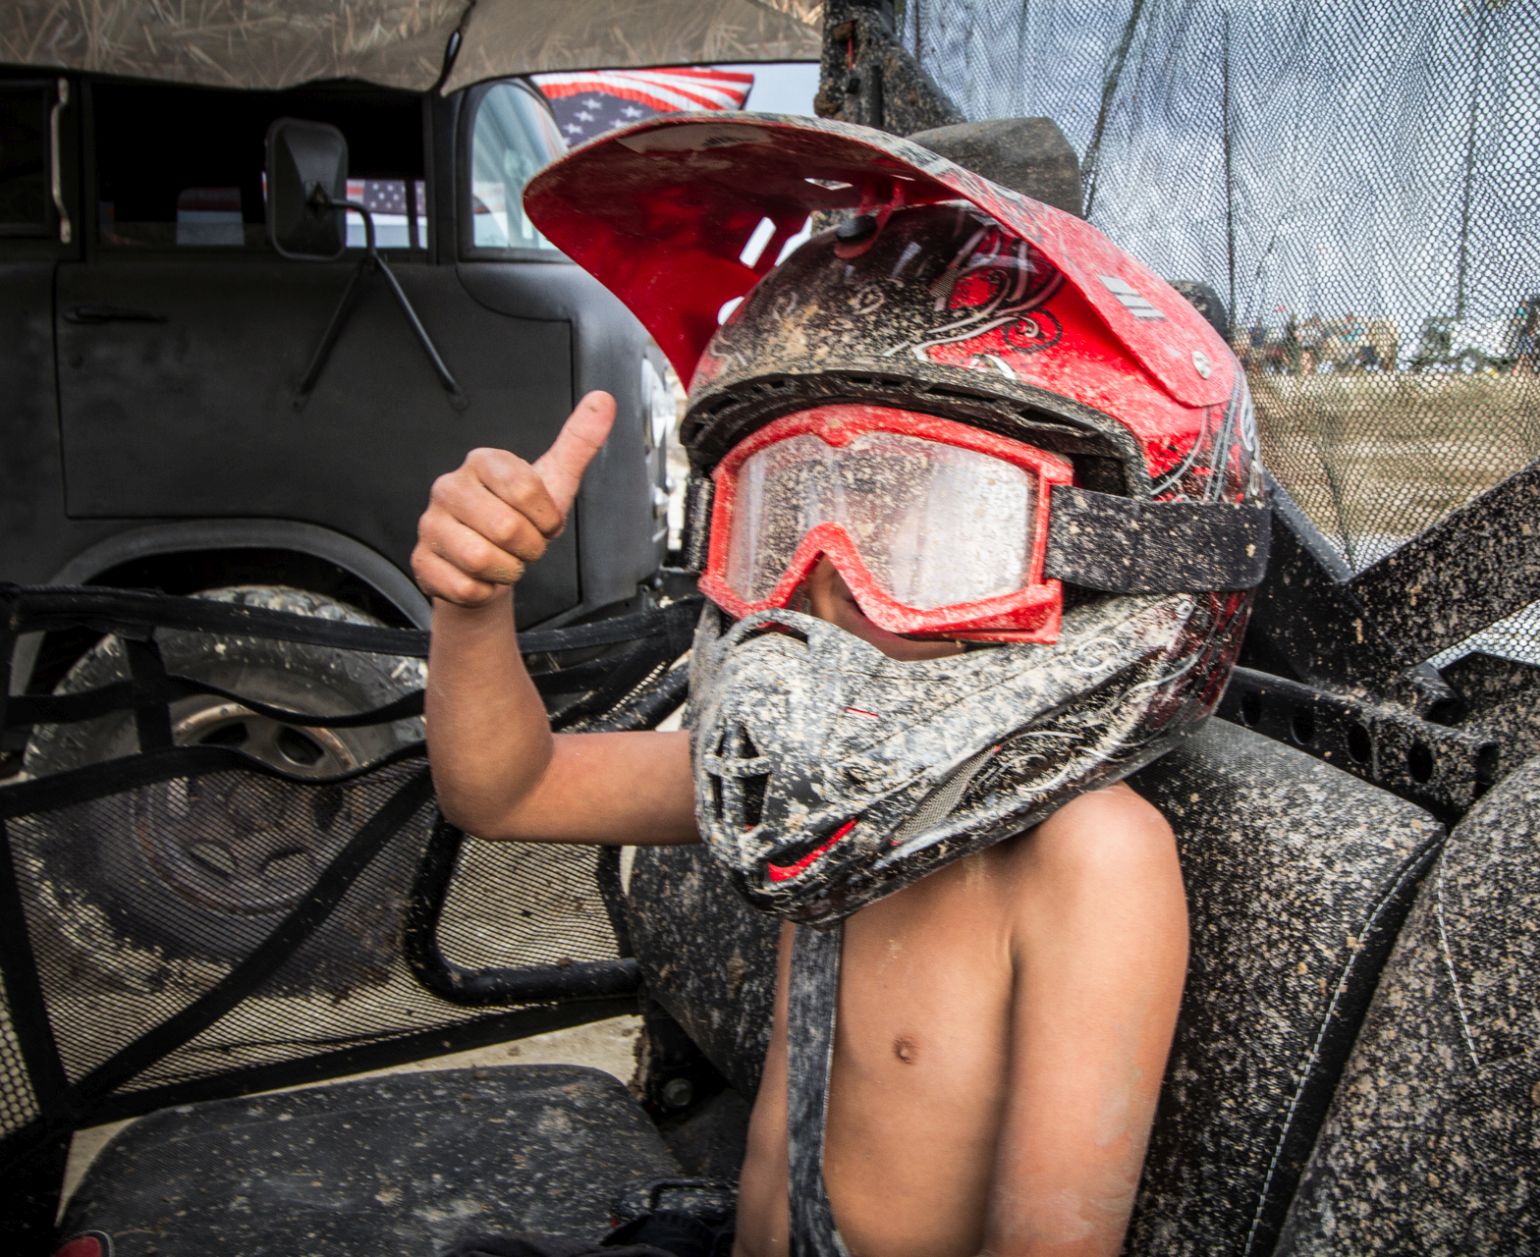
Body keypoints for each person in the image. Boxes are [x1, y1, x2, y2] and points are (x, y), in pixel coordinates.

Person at [423, 114, 1267, 1256]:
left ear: (1093, 567)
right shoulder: (796, 779)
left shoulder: (1087, 860)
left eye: (914, 527)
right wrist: (473, 602)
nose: (825, 586)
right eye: (786, 515)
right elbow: (506, 790)